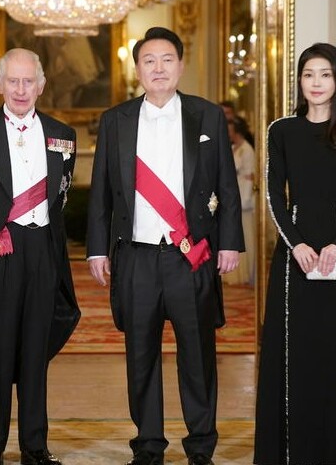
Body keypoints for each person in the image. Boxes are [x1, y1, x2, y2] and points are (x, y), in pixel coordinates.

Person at [86, 27, 244, 465]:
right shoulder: (115, 120)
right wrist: (97, 249)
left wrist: (230, 242)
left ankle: (201, 446)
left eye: (167, 59)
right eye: (149, 61)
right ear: (137, 69)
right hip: (136, 256)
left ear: (180, 65)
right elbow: (101, 191)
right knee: (140, 356)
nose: (158, 68)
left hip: (190, 255)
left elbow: (227, 185)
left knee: (198, 356)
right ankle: (148, 445)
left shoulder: (207, 116)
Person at [254, 43, 336, 464]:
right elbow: (274, 196)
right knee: (298, 353)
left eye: (325, 74)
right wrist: (296, 243)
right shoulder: (282, 130)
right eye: (308, 74)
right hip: (295, 256)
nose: (316, 82)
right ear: (299, 80)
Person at [0, 48, 80, 465]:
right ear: (0, 84)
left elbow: (61, 197)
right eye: (13, 81)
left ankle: (35, 446)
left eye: (29, 81)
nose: (21, 89)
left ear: (41, 85)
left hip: (43, 249)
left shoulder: (63, 134)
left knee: (34, 350)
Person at [223, 119, 256, 285]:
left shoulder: (247, 149)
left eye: (230, 130)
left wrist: (246, 199)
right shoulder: (232, 148)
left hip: (244, 195)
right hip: (232, 192)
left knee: (245, 234)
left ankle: (245, 273)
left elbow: (250, 176)